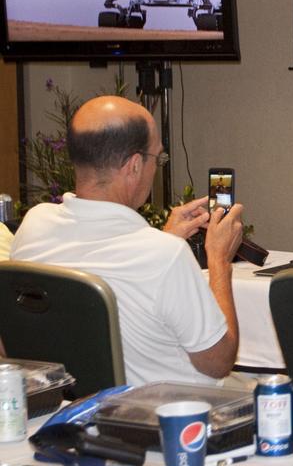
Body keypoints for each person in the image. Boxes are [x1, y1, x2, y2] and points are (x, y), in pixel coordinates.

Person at [12, 96, 245, 386]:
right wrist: (219, 260)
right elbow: (218, 362)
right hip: (169, 418)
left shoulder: (34, 225)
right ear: (134, 165)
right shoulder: (165, 256)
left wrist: (162, 239)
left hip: (70, 407)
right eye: (156, 158)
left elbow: (104, 261)